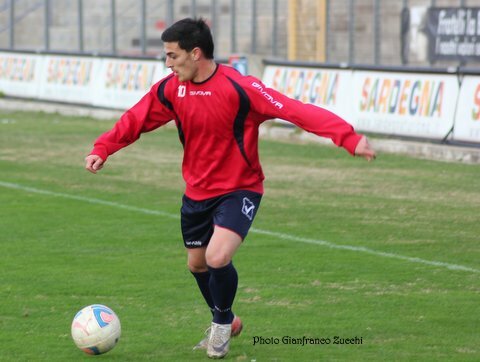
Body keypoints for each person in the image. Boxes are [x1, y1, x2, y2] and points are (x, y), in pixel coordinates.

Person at [85, 18, 376, 359]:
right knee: (197, 265)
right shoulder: (171, 90)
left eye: (172, 56)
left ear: (195, 53)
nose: (167, 64)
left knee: (217, 257)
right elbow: (136, 119)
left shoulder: (242, 88)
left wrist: (348, 138)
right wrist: (103, 147)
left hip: (240, 189)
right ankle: (227, 318)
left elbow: (297, 112)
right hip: (196, 193)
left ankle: (221, 325)